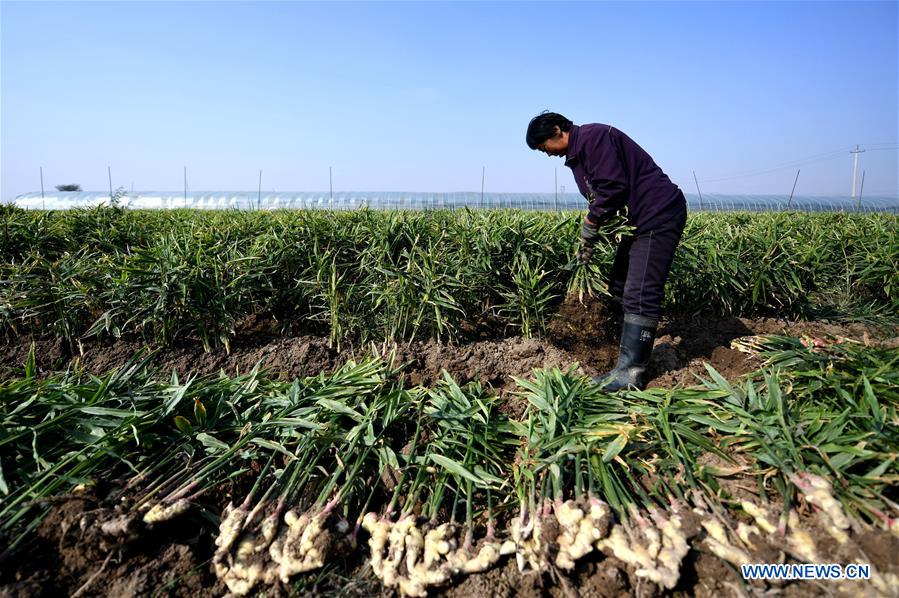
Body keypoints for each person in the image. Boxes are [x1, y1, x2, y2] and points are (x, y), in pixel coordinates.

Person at [526, 111, 687, 391]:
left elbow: (613, 188)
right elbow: (604, 195)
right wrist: (600, 234)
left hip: (656, 214)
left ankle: (630, 374)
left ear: (557, 130)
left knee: (640, 291)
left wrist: (592, 221)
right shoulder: (578, 155)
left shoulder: (594, 137)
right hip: (637, 221)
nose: (547, 153)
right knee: (619, 285)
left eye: (544, 147)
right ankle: (617, 350)